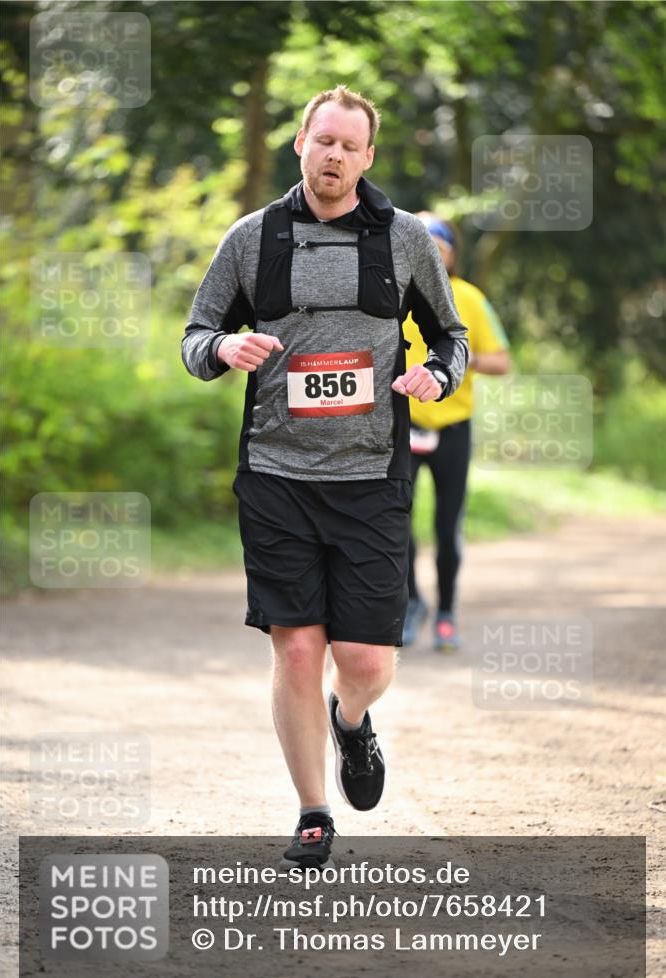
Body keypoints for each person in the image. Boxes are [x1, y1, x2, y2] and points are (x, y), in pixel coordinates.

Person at [182, 87, 468, 869]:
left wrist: (438, 377)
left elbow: (451, 337)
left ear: (368, 157)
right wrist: (220, 351)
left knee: (366, 662)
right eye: (323, 141)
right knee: (297, 648)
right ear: (300, 143)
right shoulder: (253, 238)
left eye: (350, 145)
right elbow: (197, 330)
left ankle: (351, 722)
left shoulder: (404, 240)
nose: (334, 155)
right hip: (275, 471)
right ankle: (313, 811)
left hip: (371, 474)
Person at [402, 214, 510, 652]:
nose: (429, 250)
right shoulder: (394, 293)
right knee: (394, 521)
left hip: (452, 427)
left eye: (437, 244)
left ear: (450, 253)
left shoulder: (468, 297)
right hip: (401, 425)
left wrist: (458, 360)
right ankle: (411, 604)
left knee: (447, 527)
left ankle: (446, 612)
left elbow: (501, 361)